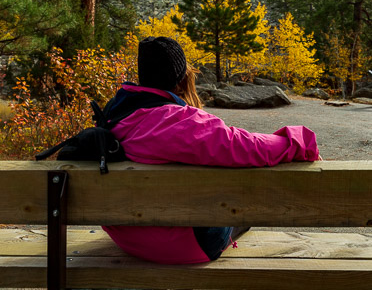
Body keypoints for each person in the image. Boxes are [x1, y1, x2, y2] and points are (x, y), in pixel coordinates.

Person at [102, 36, 319, 264]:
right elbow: (246, 146)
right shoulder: (180, 122)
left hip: (127, 238)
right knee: (239, 198)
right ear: (179, 78)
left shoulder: (113, 114)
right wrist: (298, 142)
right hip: (185, 245)